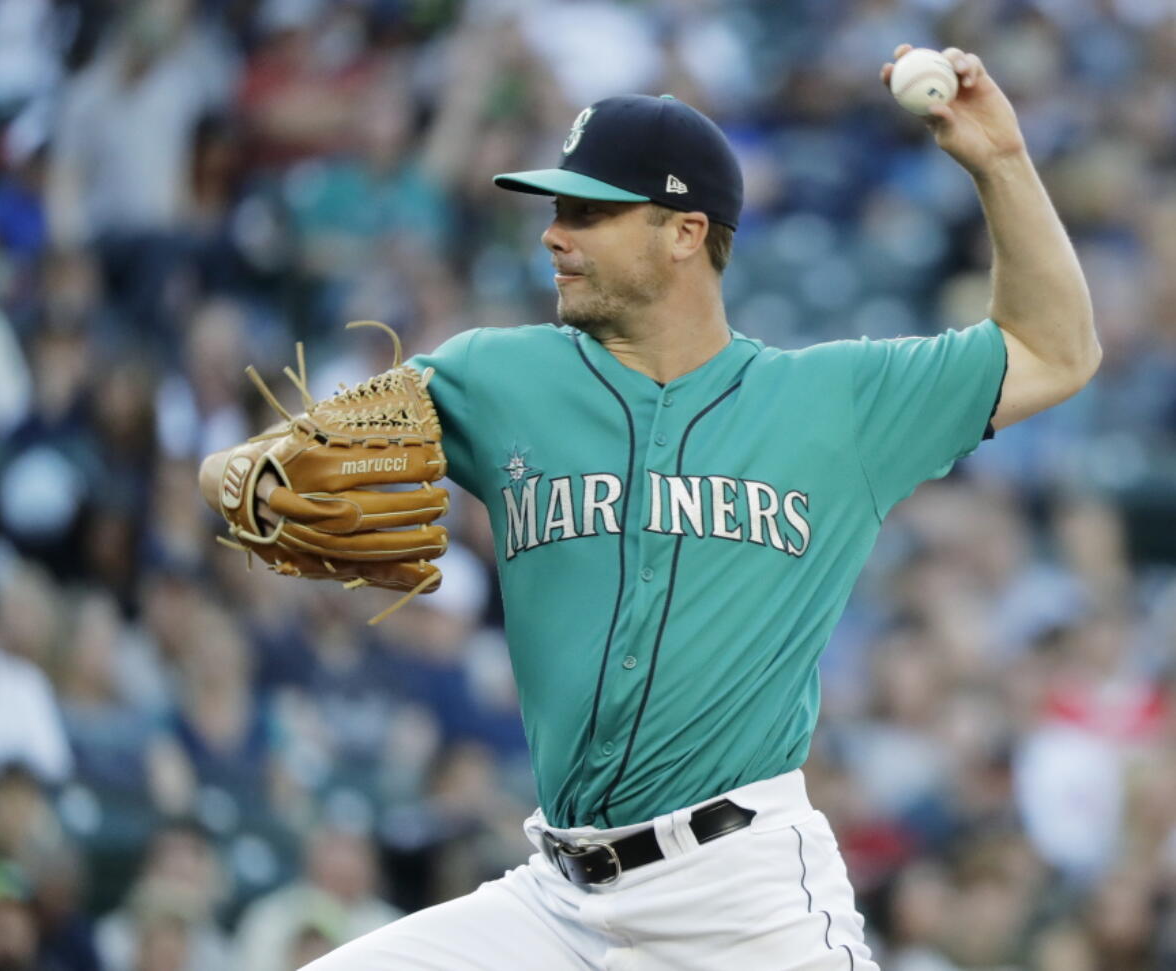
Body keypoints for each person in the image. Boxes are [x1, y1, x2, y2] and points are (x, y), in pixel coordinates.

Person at [200, 44, 1099, 969]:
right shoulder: (495, 375)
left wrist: (1000, 163)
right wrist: (249, 480)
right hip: (556, 899)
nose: (554, 235)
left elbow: (1053, 351)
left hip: (741, 897)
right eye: (556, 211)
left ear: (683, 233)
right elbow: (248, 473)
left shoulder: (835, 402)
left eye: (589, 212)